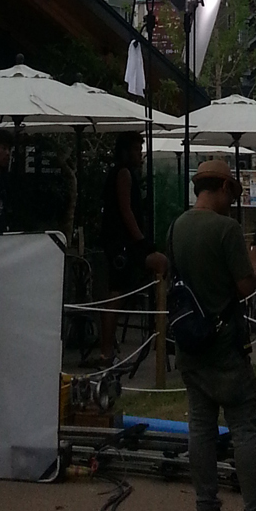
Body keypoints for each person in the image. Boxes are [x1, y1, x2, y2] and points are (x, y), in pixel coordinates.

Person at [145, 157, 256, 511]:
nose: (232, 200)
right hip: (225, 348)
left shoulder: (177, 227)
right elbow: (244, 287)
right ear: (219, 188)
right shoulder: (227, 229)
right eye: (231, 191)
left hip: (190, 346)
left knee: (200, 428)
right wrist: (253, 264)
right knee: (244, 431)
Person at [100, 132, 148, 360]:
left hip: (121, 242)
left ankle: (108, 348)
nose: (140, 155)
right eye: (137, 150)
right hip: (122, 244)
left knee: (117, 293)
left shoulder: (122, 173)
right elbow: (126, 209)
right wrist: (140, 240)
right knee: (115, 294)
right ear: (126, 152)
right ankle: (106, 350)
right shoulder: (123, 174)